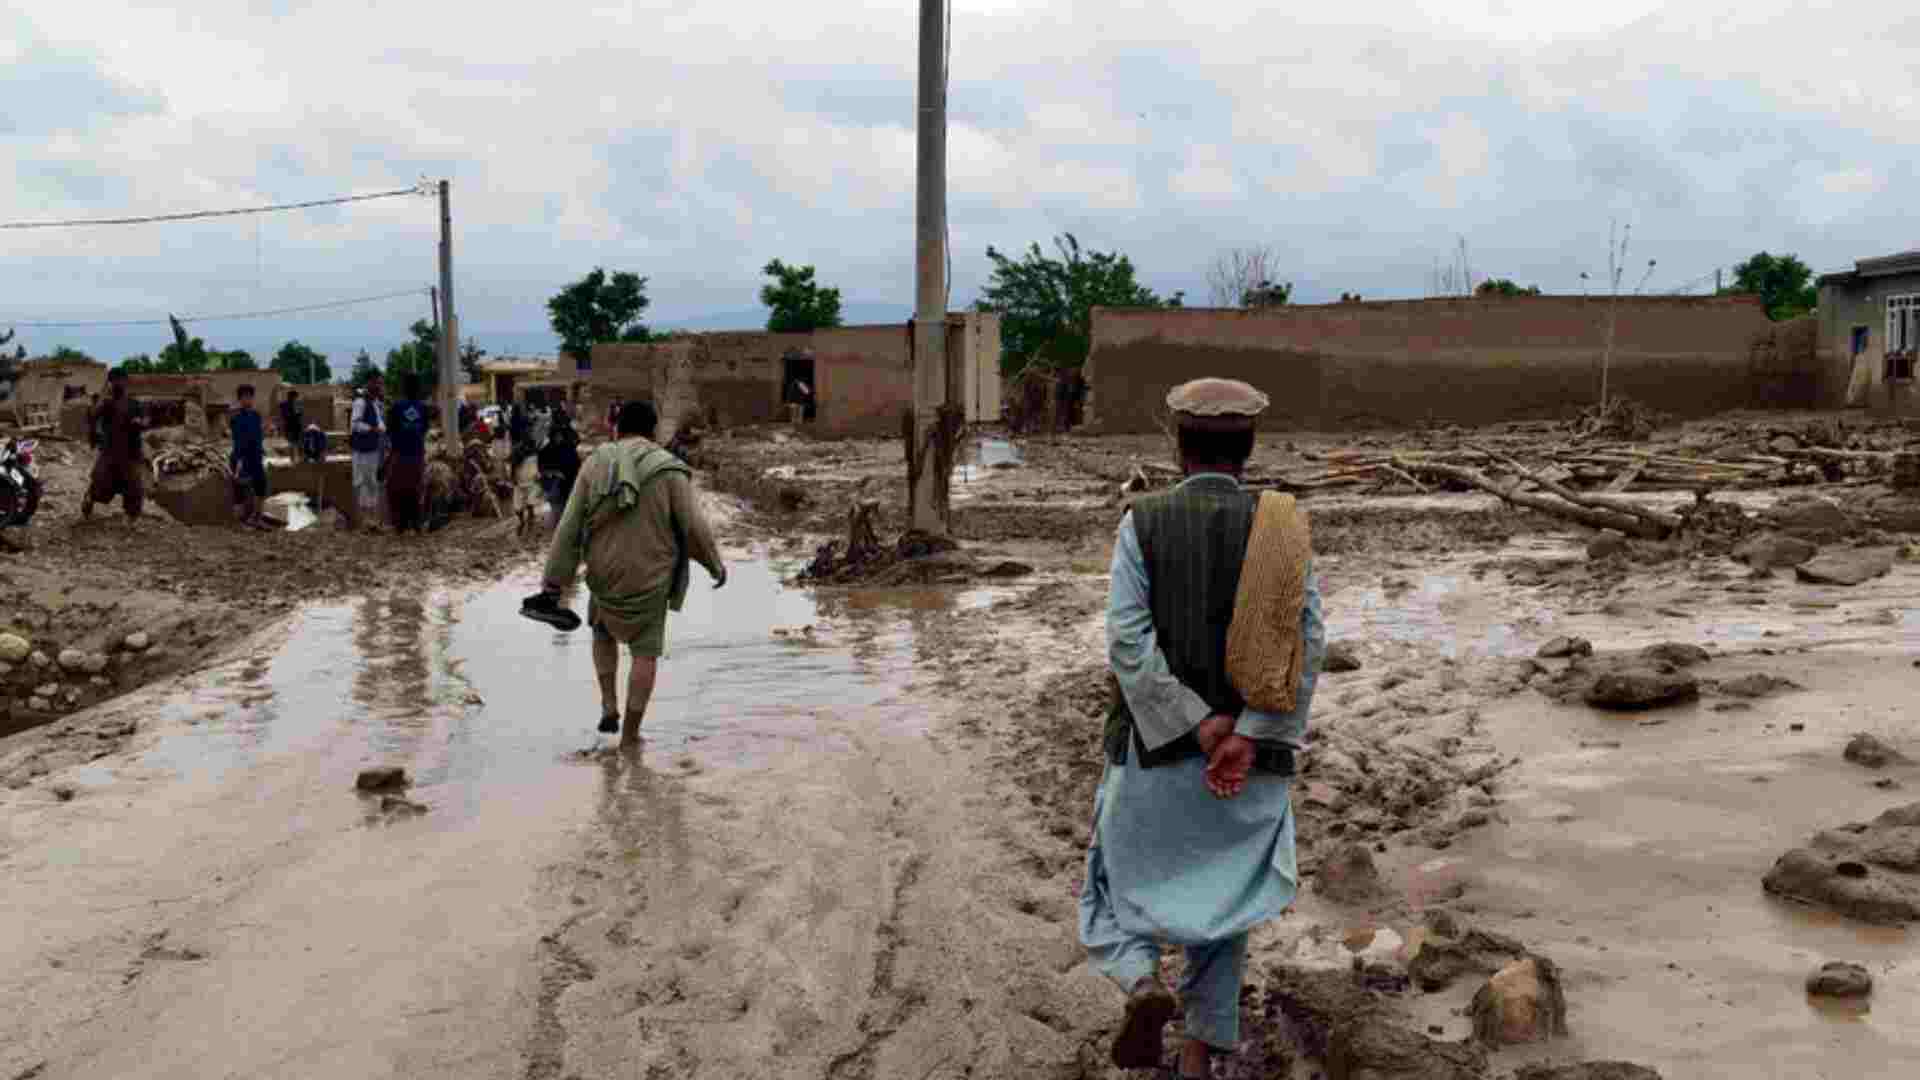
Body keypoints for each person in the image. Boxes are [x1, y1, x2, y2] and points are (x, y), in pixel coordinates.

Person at [1078, 377, 1324, 1078]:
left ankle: (1141, 983)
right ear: (1249, 447)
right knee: (1224, 916)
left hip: (1152, 758)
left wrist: (1198, 726)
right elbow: (1306, 645)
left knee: (1106, 888)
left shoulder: (1141, 521)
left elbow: (1128, 644)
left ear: (1177, 443)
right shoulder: (1283, 526)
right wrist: (1247, 733)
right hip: (1249, 770)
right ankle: (1193, 1064)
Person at [529, 400, 725, 748]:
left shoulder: (596, 463)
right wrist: (713, 563)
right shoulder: (670, 470)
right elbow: (692, 527)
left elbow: (570, 527)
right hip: (651, 575)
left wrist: (553, 584)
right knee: (645, 653)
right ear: (653, 431)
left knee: (602, 633)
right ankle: (631, 737)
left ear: (618, 427)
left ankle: (608, 704)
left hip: (604, 572)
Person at [82, 368, 145, 521]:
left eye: (121, 380)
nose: (118, 383)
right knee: (101, 482)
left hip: (130, 452)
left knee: (134, 486)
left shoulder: (133, 403)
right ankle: (89, 499)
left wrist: (139, 423)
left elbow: (144, 420)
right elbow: (92, 416)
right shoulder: (106, 404)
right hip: (110, 451)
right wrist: (103, 394)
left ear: (126, 382)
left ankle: (132, 517)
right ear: (110, 383)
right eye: (114, 380)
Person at [384, 373, 432, 534]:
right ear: (418, 389)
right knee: (416, 489)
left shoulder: (396, 407)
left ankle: (401, 525)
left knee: (398, 489)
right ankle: (416, 523)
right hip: (417, 453)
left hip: (400, 454)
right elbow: (425, 429)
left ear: (403, 388)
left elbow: (390, 430)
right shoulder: (423, 408)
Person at [349, 376, 387, 530]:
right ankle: (363, 519)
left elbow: (380, 423)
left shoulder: (374, 405)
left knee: (372, 482)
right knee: (361, 481)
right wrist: (372, 429)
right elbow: (355, 424)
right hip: (361, 450)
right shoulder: (360, 403)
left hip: (372, 448)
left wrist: (381, 428)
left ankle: (372, 518)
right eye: (377, 388)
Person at [229, 384, 269, 528]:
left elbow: (258, 436)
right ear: (240, 399)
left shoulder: (256, 416)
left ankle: (256, 518)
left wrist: (261, 450)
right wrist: (238, 460)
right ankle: (237, 523)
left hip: (256, 456)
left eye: (250, 397)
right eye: (245, 397)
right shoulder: (236, 418)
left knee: (261, 487)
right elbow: (238, 439)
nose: (248, 400)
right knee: (240, 489)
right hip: (242, 457)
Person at [537, 409, 584, 530]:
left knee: (561, 509)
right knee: (560, 509)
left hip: (564, 482)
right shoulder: (564, 442)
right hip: (561, 483)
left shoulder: (554, 446)